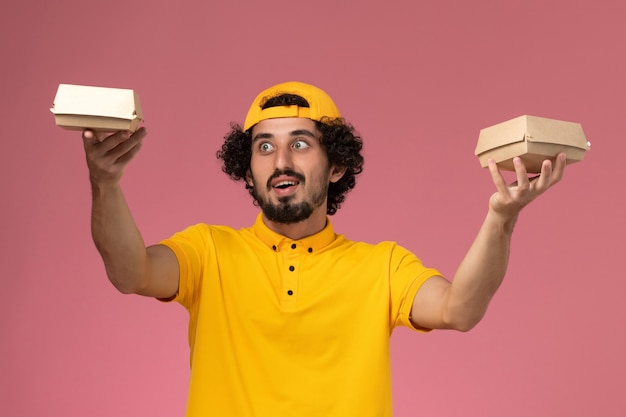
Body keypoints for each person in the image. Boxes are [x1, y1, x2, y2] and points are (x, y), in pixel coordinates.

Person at [81, 81, 566, 416]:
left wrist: (501, 218)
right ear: (247, 169)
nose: (281, 161)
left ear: (336, 166)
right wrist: (105, 184)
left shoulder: (383, 266)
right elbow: (130, 271)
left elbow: (460, 309)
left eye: (301, 143)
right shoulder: (208, 250)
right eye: (264, 147)